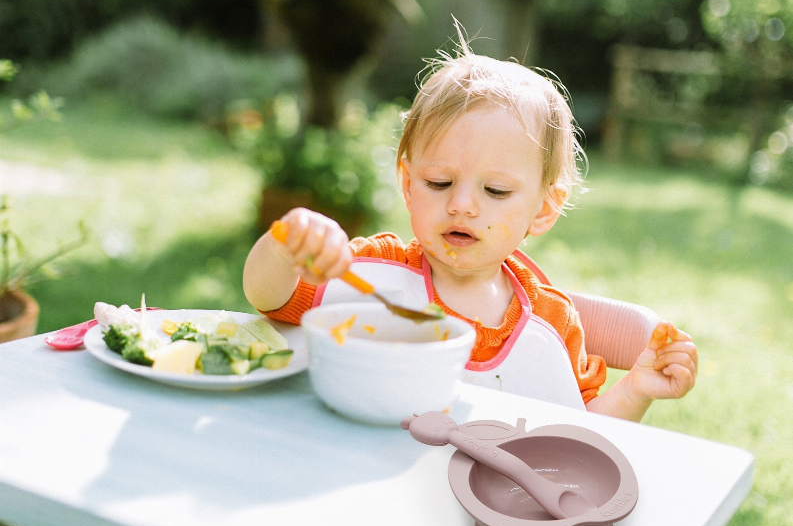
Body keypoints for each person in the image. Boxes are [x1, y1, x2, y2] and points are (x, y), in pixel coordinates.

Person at [243, 38, 697, 421]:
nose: (461, 205)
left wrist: (636, 390)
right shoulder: (373, 271)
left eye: (496, 191)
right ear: (406, 182)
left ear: (543, 210)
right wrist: (288, 243)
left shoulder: (551, 326)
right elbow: (269, 296)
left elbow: (577, 435)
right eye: (438, 183)